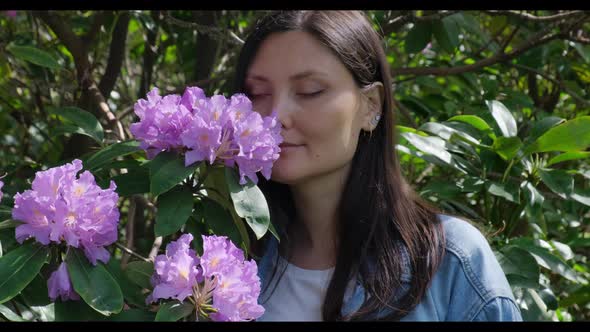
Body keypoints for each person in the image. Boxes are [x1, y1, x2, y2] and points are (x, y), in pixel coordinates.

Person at [232, 10, 523, 321]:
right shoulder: (221, 256)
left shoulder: (450, 263)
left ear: (371, 105)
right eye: (258, 93)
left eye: (310, 91)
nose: (275, 117)